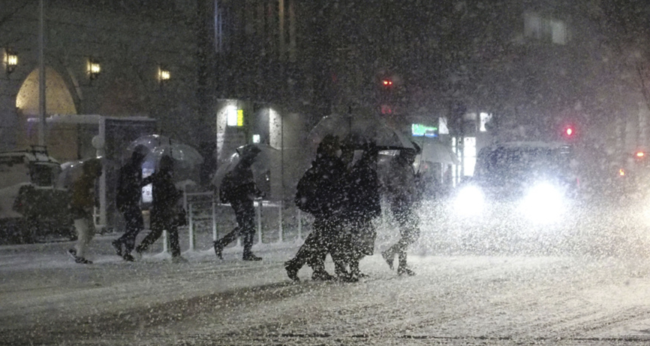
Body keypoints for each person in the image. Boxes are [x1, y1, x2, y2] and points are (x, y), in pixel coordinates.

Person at [285, 135, 347, 282]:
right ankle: (334, 270)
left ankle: (300, 265)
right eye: (334, 146)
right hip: (325, 206)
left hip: (326, 206)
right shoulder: (328, 163)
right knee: (328, 238)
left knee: (319, 239)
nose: (336, 149)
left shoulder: (327, 162)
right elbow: (333, 182)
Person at [336, 141, 381, 281]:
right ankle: (349, 267)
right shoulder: (364, 170)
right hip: (359, 210)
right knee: (361, 239)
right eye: (376, 156)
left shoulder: (361, 168)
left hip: (358, 209)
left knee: (358, 239)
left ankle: (352, 267)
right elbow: (366, 192)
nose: (377, 159)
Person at [213, 145, 265, 261]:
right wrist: (257, 193)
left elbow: (248, 186)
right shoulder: (242, 169)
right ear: (250, 155)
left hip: (242, 202)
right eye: (255, 156)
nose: (256, 158)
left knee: (247, 227)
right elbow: (245, 187)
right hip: (242, 202)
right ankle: (224, 245)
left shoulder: (244, 168)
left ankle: (226, 245)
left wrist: (256, 192)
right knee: (247, 227)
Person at [134, 155, 187, 263]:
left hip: (158, 208)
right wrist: (178, 193)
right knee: (171, 230)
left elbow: (147, 184)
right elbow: (168, 194)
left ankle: (141, 248)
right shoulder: (165, 178)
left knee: (158, 231)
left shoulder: (157, 177)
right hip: (164, 209)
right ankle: (175, 255)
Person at [381, 148, 421, 276]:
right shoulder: (397, 167)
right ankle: (399, 262)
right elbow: (395, 186)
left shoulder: (408, 167)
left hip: (407, 203)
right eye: (413, 155)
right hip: (400, 204)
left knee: (411, 233)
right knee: (409, 232)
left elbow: (410, 186)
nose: (414, 158)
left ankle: (397, 258)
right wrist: (407, 193)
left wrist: (415, 182)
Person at [112, 145, 148, 262]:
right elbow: (129, 186)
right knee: (136, 226)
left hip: (129, 201)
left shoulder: (130, 169)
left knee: (133, 226)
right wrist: (140, 182)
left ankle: (126, 249)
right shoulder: (131, 170)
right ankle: (122, 244)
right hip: (129, 202)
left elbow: (129, 185)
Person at [67, 158, 102, 264]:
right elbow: (80, 197)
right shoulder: (83, 181)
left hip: (83, 209)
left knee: (90, 231)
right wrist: (88, 203)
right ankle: (79, 255)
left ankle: (76, 250)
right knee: (85, 232)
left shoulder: (88, 181)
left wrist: (93, 201)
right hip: (79, 209)